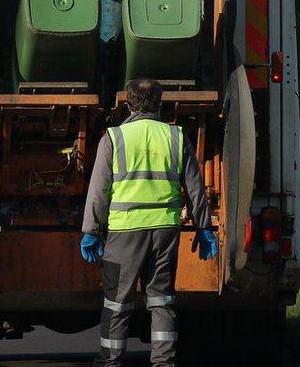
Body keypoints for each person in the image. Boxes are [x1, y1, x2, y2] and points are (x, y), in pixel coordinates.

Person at [81, 78, 218, 367]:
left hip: (124, 233)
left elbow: (98, 190)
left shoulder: (114, 138)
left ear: (128, 103)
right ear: (159, 103)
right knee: (161, 300)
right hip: (164, 231)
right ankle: (163, 362)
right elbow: (195, 188)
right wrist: (204, 227)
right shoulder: (176, 137)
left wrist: (91, 231)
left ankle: (111, 361)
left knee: (117, 302)